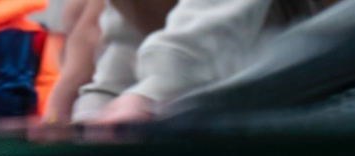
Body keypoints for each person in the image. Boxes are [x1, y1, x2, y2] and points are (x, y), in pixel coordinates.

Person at [75, 0, 336, 123]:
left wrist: (158, 85)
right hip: (221, 81)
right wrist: (101, 100)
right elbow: (128, 36)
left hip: (335, 83)